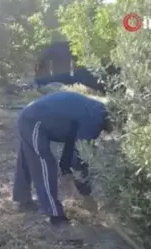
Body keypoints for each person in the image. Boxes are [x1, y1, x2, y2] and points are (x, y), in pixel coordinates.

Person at [12, 91, 112, 227]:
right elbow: (80, 156)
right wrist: (86, 194)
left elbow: (72, 143)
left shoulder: (95, 110)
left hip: (30, 116)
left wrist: (65, 169)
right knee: (44, 164)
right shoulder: (95, 120)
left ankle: (23, 200)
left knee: (27, 157)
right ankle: (55, 215)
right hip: (33, 120)